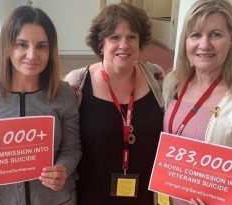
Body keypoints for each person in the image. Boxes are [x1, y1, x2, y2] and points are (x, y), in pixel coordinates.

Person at [0, 6, 81, 205]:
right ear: (7, 46)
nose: (32, 55)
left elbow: (72, 147)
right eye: (22, 44)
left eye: (41, 46)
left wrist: (63, 169)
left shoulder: (63, 92)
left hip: (55, 199)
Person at [162, 0, 232, 204]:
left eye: (215, 34)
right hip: (167, 197)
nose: (204, 44)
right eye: (195, 34)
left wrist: (229, 200)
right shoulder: (173, 82)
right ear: (185, 41)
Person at [64, 3, 165, 205]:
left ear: (140, 42)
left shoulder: (156, 76)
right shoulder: (77, 83)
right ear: (101, 44)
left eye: (131, 37)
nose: (124, 44)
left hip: (144, 196)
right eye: (115, 37)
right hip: (93, 196)